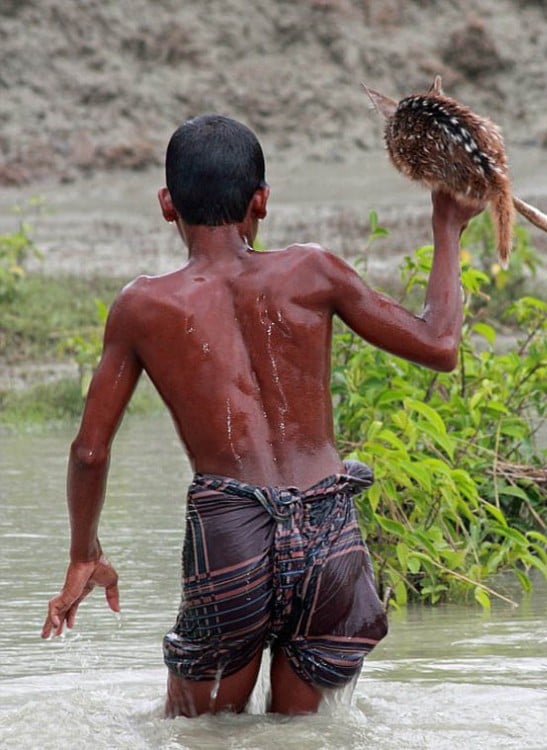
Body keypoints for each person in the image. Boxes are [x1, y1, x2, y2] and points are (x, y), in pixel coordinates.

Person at [41, 113, 483, 717]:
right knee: (302, 734)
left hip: (231, 535)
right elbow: (439, 344)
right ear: (262, 202)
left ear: (167, 205)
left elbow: (90, 452)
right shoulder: (313, 270)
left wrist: (84, 554)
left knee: (200, 732)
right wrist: (448, 224)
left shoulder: (143, 306)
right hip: (329, 529)